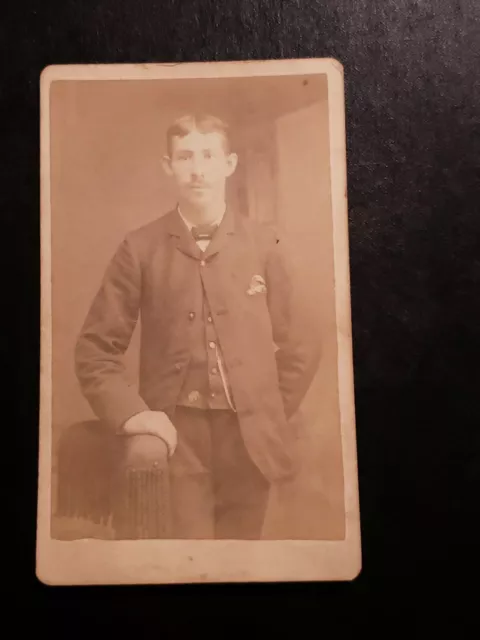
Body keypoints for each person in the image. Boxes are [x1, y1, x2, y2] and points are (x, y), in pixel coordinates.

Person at [74, 113, 321, 540]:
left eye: (209, 155)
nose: (197, 169)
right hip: (176, 439)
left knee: (241, 565)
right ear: (167, 166)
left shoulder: (265, 244)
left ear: (230, 164)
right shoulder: (140, 248)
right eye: (185, 157)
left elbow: (303, 343)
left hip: (250, 443)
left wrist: (268, 411)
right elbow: (95, 351)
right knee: (187, 560)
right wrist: (136, 417)